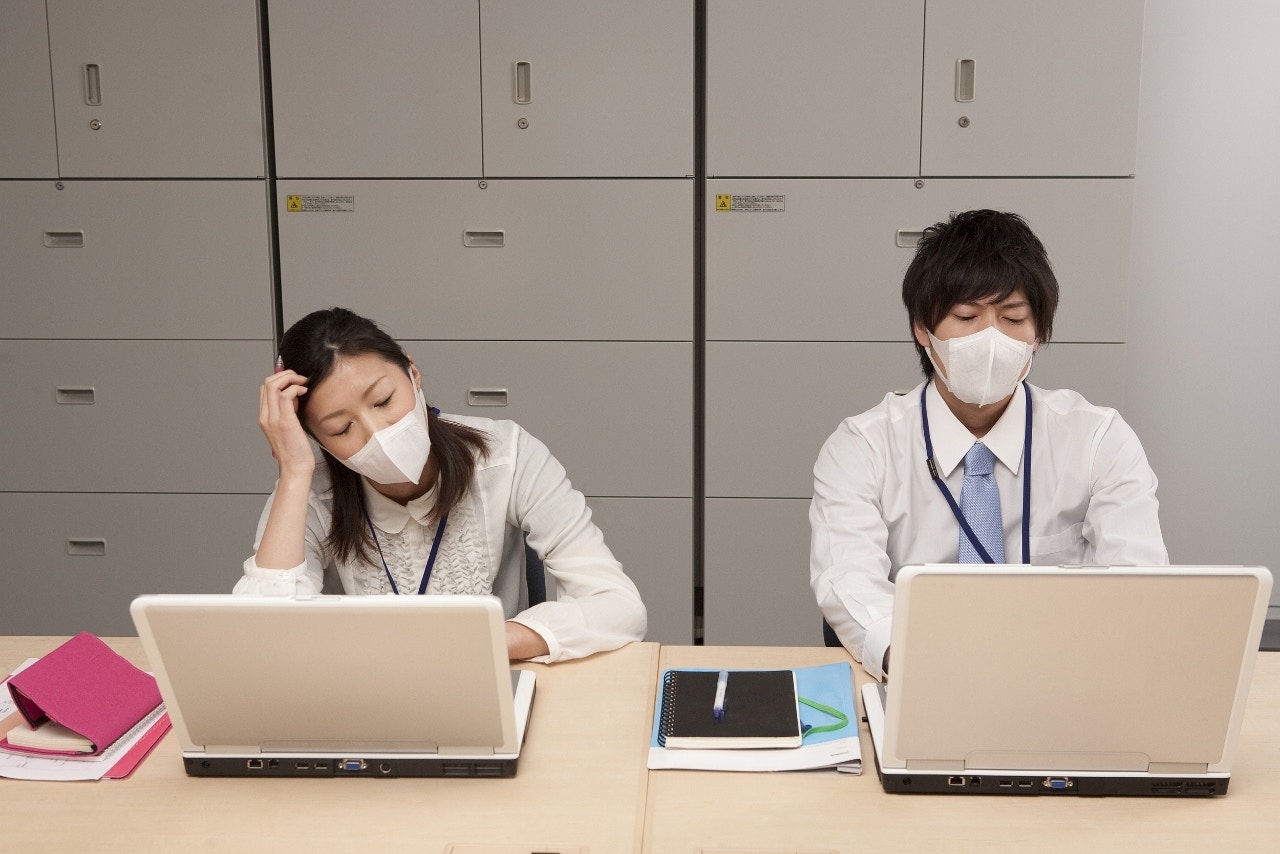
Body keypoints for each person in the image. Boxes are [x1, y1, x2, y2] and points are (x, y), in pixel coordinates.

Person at [810, 210, 1167, 681]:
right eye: (966, 316)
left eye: (1013, 318)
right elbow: (848, 581)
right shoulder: (862, 448)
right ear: (923, 328)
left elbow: (1138, 583)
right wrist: (922, 664)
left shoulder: (1099, 440)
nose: (991, 338)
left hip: (1064, 677)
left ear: (1038, 332)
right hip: (922, 674)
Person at [236, 307, 647, 662]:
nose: (378, 433)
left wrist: (482, 643)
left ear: (413, 374)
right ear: (317, 439)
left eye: (383, 401)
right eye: (342, 428)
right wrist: (293, 473)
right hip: (363, 698)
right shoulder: (310, 488)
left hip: (487, 679)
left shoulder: (506, 456)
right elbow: (260, 641)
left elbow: (618, 607)